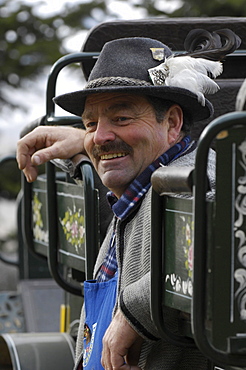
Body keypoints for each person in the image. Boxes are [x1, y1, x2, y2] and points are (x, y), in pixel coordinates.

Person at [17, 36, 222, 369]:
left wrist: (137, 310)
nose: (100, 136)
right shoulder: (135, 189)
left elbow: (224, 240)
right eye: (90, 124)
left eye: (122, 118)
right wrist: (89, 142)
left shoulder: (191, 180)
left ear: (172, 123)